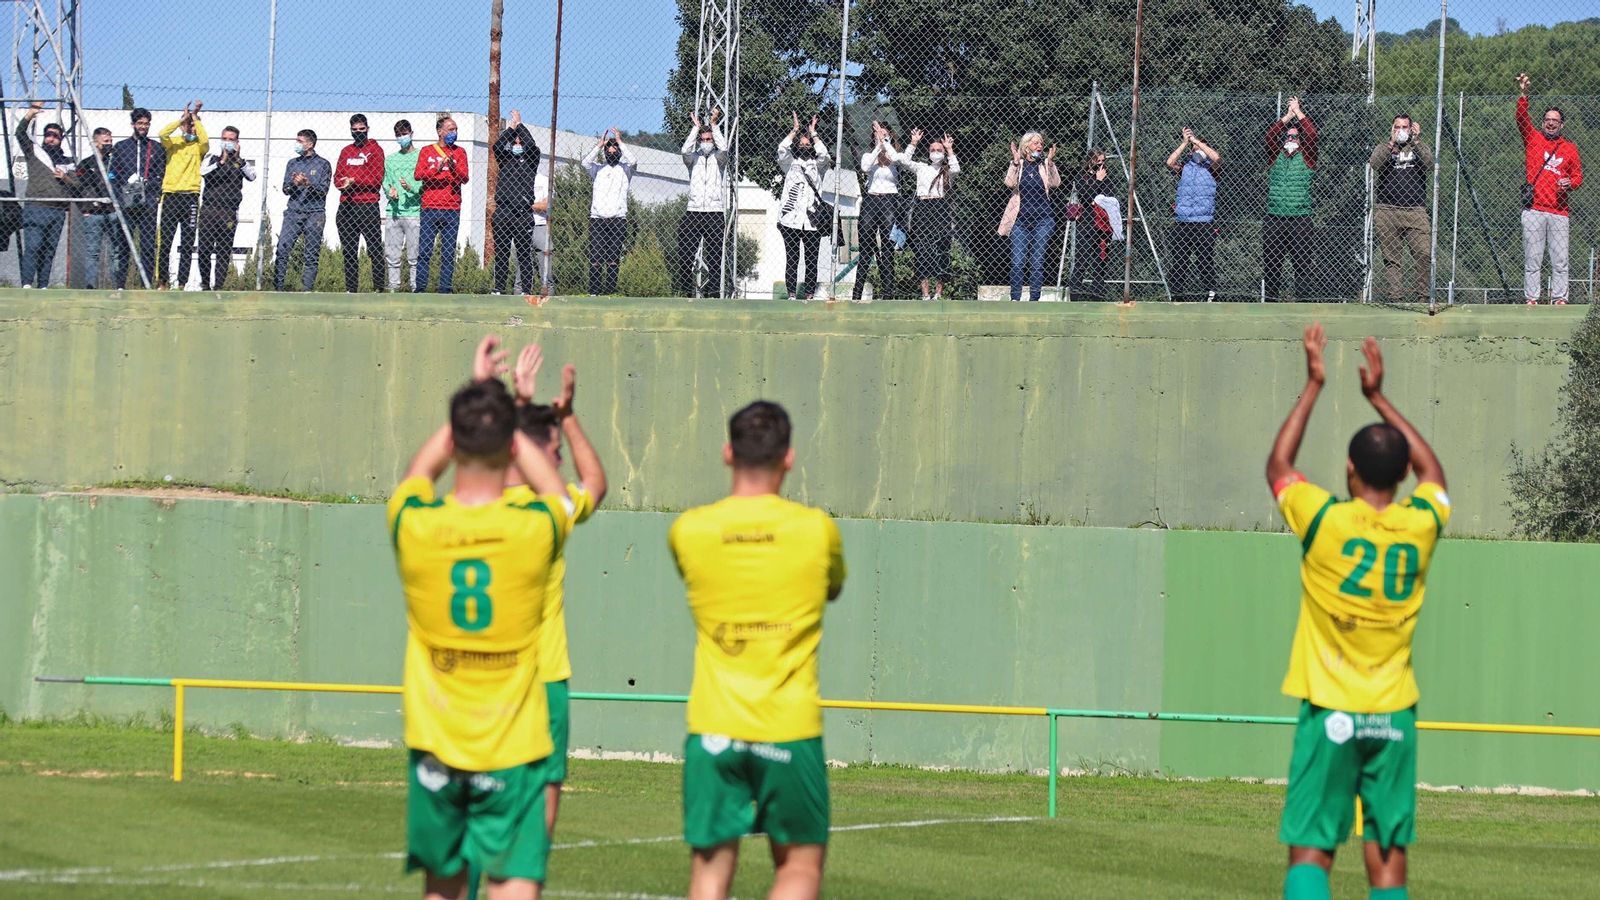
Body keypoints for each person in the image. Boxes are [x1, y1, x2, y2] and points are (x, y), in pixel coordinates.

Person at [1266, 323, 1450, 900]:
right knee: (1388, 859)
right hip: (1393, 715)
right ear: (1400, 478)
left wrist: (1314, 384)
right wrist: (1378, 397)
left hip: (1330, 711)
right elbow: (1436, 475)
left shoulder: (1324, 521)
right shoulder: (1420, 525)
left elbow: (1278, 465)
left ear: (1349, 470)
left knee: (1313, 850)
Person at [389, 334, 572, 900]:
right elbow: (560, 496)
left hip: (437, 745)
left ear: (455, 440)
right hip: (512, 749)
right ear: (514, 449)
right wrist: (514, 419)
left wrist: (474, 396)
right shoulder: (537, 529)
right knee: (514, 883)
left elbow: (415, 478)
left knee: (442, 888)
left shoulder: (411, 525)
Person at [669, 400, 846, 900]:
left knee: (708, 873)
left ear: (728, 453)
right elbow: (832, 588)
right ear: (788, 458)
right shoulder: (816, 530)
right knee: (798, 870)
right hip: (789, 728)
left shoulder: (690, 530)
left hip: (713, 729)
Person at [505, 344, 607, 839]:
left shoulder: (473, 508)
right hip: (542, 679)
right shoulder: (552, 513)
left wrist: (517, 408)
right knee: (539, 808)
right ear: (533, 451)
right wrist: (566, 416)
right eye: (554, 451)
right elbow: (596, 483)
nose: (560, 459)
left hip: (484, 679)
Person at [1516, 73, 1583, 305]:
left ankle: (1560, 298)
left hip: (1559, 212)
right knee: (1533, 259)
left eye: (1555, 120)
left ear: (1562, 125)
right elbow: (1522, 118)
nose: (1550, 123)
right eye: (1547, 119)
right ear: (1543, 122)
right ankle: (1532, 298)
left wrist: (1570, 183)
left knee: (1560, 260)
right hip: (1533, 209)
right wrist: (1524, 94)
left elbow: (1578, 177)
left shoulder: (1570, 149)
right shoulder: (1533, 139)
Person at [1368, 115, 1433, 306]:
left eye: (1405, 127)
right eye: (1397, 127)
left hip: (1415, 210)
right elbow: (1375, 164)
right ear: (1392, 128)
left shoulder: (1418, 147)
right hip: (1387, 209)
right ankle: (1395, 299)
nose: (1401, 130)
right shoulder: (1384, 147)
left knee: (1423, 253)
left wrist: (1416, 141)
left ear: (1412, 128)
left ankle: (1423, 298)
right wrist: (1392, 144)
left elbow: (1429, 164)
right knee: (1392, 258)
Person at [14, 102, 77, 289]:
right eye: (48, 135)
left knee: (49, 251)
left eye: (55, 136)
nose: (51, 139)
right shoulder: (35, 151)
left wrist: (65, 177)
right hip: (36, 206)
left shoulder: (68, 161)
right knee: (33, 247)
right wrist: (31, 113)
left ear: (61, 139)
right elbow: (19, 134)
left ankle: (43, 285)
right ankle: (26, 284)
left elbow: (77, 184)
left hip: (58, 211)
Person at [1262, 97, 1319, 302]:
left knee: (1302, 265)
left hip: (1300, 219)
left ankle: (1302, 305)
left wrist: (1299, 112)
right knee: (1272, 265)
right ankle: (1270, 304)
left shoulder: (1308, 157)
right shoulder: (1275, 156)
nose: (1291, 140)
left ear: (1300, 141)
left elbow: (1311, 134)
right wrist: (1287, 116)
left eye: (1295, 137)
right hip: (1274, 218)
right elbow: (1270, 136)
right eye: (1288, 136)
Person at [999, 132, 1061, 302]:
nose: (1039, 146)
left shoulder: (1043, 166)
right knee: (1018, 262)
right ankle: (1015, 299)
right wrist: (1015, 162)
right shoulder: (1019, 165)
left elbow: (1055, 183)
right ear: (1026, 147)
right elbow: (1010, 183)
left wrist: (1050, 162)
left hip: (1043, 220)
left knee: (1037, 262)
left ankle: (1034, 300)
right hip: (1020, 221)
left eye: (1041, 143)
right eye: (1035, 143)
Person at [776, 113, 831, 301]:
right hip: (790, 220)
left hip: (812, 221)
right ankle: (791, 293)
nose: (805, 147)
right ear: (797, 147)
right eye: (802, 144)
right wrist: (794, 131)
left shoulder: (818, 166)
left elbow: (825, 154)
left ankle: (809, 294)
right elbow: (782, 149)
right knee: (792, 259)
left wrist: (813, 133)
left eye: (808, 145)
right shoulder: (790, 164)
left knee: (811, 260)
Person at [196, 126, 257, 291]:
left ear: (237, 142)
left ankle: (218, 287)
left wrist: (239, 158)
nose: (227, 142)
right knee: (204, 249)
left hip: (229, 212)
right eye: (225, 139)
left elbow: (252, 176)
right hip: (209, 210)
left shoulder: (240, 162)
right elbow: (202, 172)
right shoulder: (212, 158)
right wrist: (221, 161)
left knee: (223, 251)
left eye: (231, 139)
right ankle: (205, 284)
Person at [156, 100, 209, 289]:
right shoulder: (173, 144)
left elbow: (206, 141)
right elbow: (162, 134)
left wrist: (195, 118)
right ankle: (162, 281)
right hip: (171, 195)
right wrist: (182, 120)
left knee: (187, 242)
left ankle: (181, 282)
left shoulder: (199, 147)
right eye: (190, 126)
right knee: (166, 241)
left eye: (195, 126)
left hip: (191, 197)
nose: (193, 129)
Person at [111, 106, 166, 289]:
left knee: (148, 246)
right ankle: (120, 284)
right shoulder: (120, 147)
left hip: (147, 205)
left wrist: (153, 191)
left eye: (146, 123)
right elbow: (113, 175)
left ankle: (146, 284)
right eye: (140, 123)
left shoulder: (156, 148)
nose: (143, 127)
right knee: (123, 245)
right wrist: (120, 196)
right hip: (126, 205)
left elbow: (160, 175)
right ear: (133, 124)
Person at [415, 116, 470, 294]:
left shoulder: (460, 152)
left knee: (448, 253)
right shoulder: (426, 151)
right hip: (430, 207)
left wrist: (453, 168)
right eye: (450, 129)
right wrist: (437, 170)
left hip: (452, 208)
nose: (454, 133)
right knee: (424, 252)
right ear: (440, 131)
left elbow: (464, 178)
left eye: (455, 130)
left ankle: (445, 289)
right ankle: (420, 288)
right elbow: (418, 175)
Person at [491, 110, 544, 296]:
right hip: (503, 213)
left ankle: (526, 290)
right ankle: (499, 289)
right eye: (515, 141)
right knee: (502, 254)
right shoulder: (505, 158)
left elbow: (531, 144)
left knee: (523, 254)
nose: (518, 143)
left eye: (520, 140)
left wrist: (520, 125)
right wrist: (511, 129)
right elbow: (497, 146)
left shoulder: (531, 159)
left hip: (522, 214)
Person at [677, 108, 729, 298]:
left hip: (714, 213)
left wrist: (714, 125)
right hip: (694, 212)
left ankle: (713, 295)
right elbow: (684, 150)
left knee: (715, 259)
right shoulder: (693, 159)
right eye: (704, 139)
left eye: (709, 140)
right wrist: (695, 128)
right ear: (699, 141)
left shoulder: (719, 159)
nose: (706, 143)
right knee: (685, 257)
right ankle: (686, 293)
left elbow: (724, 148)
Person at [853, 120, 907, 301]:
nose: (881, 136)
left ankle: (888, 295)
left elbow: (900, 159)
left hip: (889, 202)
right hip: (871, 200)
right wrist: (878, 146)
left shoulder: (895, 156)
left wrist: (886, 143)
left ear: (890, 136)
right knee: (866, 249)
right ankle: (856, 294)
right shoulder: (870, 154)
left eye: (885, 133)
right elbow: (864, 167)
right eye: (878, 133)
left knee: (887, 248)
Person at [903, 128, 960, 300]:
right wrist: (913, 143)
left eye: (939, 150)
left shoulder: (946, 171)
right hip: (923, 207)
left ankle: (938, 293)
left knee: (942, 249)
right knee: (923, 250)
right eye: (933, 150)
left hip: (940, 207)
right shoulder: (921, 167)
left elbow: (956, 169)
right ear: (928, 153)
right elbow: (905, 161)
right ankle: (925, 293)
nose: (936, 153)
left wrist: (949, 150)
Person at [1166, 128, 1220, 303]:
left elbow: (1217, 158)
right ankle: (1176, 296)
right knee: (1179, 262)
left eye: (1201, 148)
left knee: (1204, 260)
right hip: (1183, 221)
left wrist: (1197, 142)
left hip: (1204, 222)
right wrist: (1185, 142)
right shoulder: (1185, 168)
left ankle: (1211, 293)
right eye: (1194, 149)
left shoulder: (1212, 169)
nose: (1197, 151)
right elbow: (1169, 162)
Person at [334, 113, 386, 293]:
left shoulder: (376, 150)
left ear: (367, 129)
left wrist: (355, 180)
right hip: (346, 205)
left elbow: (376, 179)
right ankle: (351, 289)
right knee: (349, 251)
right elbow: (337, 178)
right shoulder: (346, 151)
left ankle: (379, 288)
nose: (358, 133)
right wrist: (345, 184)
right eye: (354, 130)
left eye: (361, 130)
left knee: (374, 249)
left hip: (367, 205)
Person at [274, 129, 331, 292]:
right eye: (296, 140)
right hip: (293, 213)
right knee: (282, 249)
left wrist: (307, 184)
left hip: (315, 214)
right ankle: (278, 289)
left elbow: (323, 190)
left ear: (310, 144)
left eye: (300, 141)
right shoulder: (293, 163)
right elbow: (285, 189)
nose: (297, 144)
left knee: (311, 254)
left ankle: (307, 291)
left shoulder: (323, 164)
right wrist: (295, 184)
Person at [582, 128, 636, 296]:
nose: (612, 154)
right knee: (596, 258)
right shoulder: (597, 170)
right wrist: (599, 145)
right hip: (597, 219)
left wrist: (620, 141)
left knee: (613, 259)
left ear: (619, 153)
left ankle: (609, 291)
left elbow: (633, 161)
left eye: (615, 152)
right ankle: (594, 291)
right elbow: (585, 163)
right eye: (609, 152)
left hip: (618, 219)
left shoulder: (625, 170)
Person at [1067, 148, 1119, 301]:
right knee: (1081, 263)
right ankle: (1075, 299)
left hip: (1103, 226)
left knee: (1100, 264)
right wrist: (1097, 182)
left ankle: (1097, 299)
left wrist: (1096, 198)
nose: (1101, 164)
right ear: (1091, 160)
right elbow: (1087, 196)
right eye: (1098, 161)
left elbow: (1109, 199)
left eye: (1103, 161)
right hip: (1087, 225)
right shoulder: (1081, 177)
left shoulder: (1107, 178)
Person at [74, 127, 123, 290]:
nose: (109, 144)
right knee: (92, 253)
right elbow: (76, 187)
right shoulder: (86, 164)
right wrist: (84, 209)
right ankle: (90, 287)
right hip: (93, 213)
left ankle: (116, 286)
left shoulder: (115, 163)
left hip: (112, 212)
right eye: (105, 141)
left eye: (110, 141)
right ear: (96, 143)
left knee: (115, 251)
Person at [383, 119, 424, 292]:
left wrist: (411, 188)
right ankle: (393, 290)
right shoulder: (390, 160)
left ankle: (415, 290)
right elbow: (386, 182)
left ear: (411, 134)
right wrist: (389, 191)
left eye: (404, 134)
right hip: (394, 211)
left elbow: (425, 183)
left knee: (414, 256)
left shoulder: (421, 156)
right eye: (398, 135)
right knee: (392, 255)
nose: (402, 137)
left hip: (415, 212)